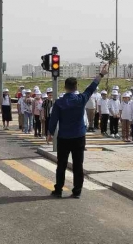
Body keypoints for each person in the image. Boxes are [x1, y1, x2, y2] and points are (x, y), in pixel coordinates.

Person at [48, 63, 108, 198]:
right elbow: (92, 87)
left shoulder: (59, 102)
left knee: (61, 165)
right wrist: (102, 74)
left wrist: (50, 133)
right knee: (78, 165)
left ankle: (58, 190)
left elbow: (53, 119)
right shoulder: (81, 99)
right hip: (79, 137)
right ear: (76, 87)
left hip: (63, 137)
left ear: (65, 87)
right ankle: (77, 191)